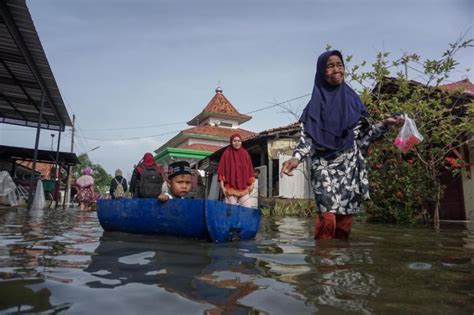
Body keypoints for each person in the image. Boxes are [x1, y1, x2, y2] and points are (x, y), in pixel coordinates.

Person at [280, 50, 403, 240]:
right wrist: (296, 158)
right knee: (327, 219)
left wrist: (384, 125)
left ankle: (342, 265)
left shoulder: (353, 101)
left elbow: (363, 138)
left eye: (339, 65)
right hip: (324, 165)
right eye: (330, 66)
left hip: (350, 167)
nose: (336, 69)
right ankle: (324, 263)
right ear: (322, 72)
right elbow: (308, 137)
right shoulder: (315, 105)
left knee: (344, 225)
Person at [217, 133, 255, 208]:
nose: (237, 143)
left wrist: (252, 184)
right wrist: (222, 187)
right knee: (231, 212)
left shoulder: (245, 153)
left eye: (239, 141)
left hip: (244, 188)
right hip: (230, 188)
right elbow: (221, 171)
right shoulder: (226, 154)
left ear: (241, 142)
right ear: (231, 142)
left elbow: (250, 169)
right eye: (234, 141)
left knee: (247, 210)